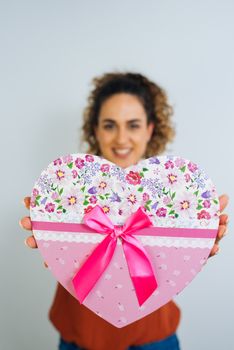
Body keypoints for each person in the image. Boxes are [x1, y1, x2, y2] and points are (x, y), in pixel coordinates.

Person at [20, 72, 229, 350]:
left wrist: (198, 243)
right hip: (79, 333)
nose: (121, 138)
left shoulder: (176, 193)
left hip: (151, 336)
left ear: (150, 129)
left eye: (133, 125)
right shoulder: (67, 186)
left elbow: (176, 254)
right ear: (95, 129)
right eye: (110, 125)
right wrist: (52, 238)